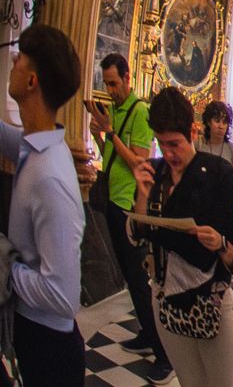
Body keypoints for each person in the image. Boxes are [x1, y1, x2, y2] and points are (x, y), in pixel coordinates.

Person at [127, 87, 233, 386]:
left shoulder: (219, 174)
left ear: (193, 132)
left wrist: (220, 244)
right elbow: (137, 236)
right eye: (161, 143)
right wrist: (142, 197)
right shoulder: (156, 174)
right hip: (166, 298)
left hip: (212, 301)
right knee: (190, 381)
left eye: (175, 144)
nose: (168, 154)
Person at [3, 25, 86, 385]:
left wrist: (6, 268)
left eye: (19, 58)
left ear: (32, 81)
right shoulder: (40, 144)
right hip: (32, 330)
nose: (12, 60)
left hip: (49, 345)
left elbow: (63, 296)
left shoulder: (50, 177)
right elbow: (14, 143)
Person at [86, 52, 168, 379]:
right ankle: (148, 335)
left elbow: (138, 162)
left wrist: (109, 133)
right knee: (130, 277)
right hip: (111, 199)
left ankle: (164, 352)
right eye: (106, 84)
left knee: (139, 278)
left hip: (129, 204)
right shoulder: (116, 110)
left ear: (128, 78)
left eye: (114, 83)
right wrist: (98, 132)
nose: (111, 90)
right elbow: (110, 154)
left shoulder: (139, 112)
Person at [194, 100, 233, 183]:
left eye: (224, 122)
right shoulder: (198, 144)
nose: (221, 126)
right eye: (217, 121)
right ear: (209, 122)